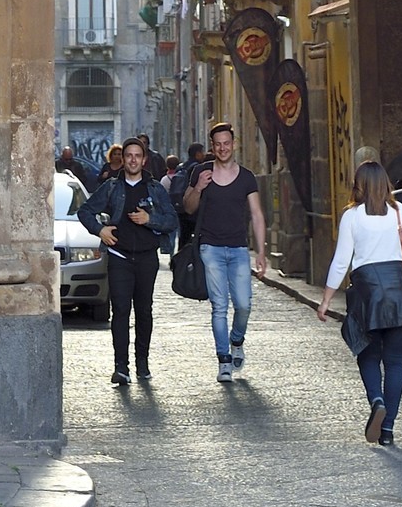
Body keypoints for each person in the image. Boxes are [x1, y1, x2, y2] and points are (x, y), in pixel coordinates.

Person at [317, 157, 402, 448]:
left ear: (359, 185)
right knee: (395, 363)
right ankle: (387, 429)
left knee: (367, 354)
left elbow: (342, 262)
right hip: (398, 291)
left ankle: (376, 400)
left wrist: (326, 299)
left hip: (367, 292)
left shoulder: (352, 216)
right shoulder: (399, 211)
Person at [76, 132, 178, 386]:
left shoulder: (154, 189)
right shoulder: (112, 186)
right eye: (128, 156)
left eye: (137, 156)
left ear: (144, 160)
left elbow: (172, 221)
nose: (132, 160)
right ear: (123, 160)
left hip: (146, 259)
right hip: (119, 257)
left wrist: (149, 220)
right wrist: (100, 230)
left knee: (144, 311)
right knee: (120, 311)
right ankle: (121, 367)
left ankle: (142, 362)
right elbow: (85, 210)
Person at [183, 121, 265, 381]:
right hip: (210, 248)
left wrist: (261, 252)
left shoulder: (246, 177)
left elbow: (257, 214)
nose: (222, 148)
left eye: (226, 143)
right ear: (212, 146)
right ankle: (224, 361)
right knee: (219, 306)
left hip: (239, 248)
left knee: (243, 305)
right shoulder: (200, 171)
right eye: (217, 144)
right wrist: (199, 188)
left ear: (234, 144)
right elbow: (188, 207)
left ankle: (237, 340)